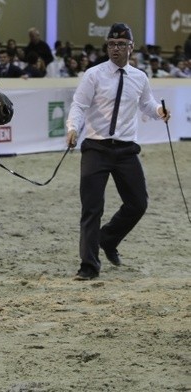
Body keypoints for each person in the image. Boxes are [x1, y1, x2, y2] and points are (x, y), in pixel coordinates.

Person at [65, 23, 170, 281]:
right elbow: (79, 105)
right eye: (111, 44)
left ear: (131, 48)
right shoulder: (93, 75)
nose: (115, 49)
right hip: (96, 148)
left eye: (121, 44)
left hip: (126, 150)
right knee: (92, 208)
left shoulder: (140, 77)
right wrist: (72, 128)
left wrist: (159, 112)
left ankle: (107, 239)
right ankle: (89, 266)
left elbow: (146, 103)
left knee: (138, 203)